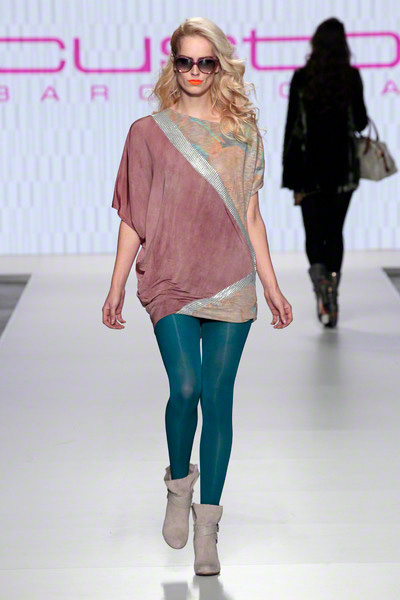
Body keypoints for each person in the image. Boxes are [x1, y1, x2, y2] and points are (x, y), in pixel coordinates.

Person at [102, 17, 293, 576]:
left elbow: (252, 215)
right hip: (170, 276)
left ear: (219, 67)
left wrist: (272, 285)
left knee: (219, 397)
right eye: (184, 61)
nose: (194, 71)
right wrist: (116, 285)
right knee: (185, 388)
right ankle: (178, 486)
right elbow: (134, 217)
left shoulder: (243, 132)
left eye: (205, 62)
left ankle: (207, 526)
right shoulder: (148, 132)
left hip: (231, 277)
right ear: (173, 63)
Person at [282, 17, 368, 327]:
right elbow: (361, 122)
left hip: (308, 171)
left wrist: (288, 169)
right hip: (343, 171)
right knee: (334, 232)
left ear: (315, 43)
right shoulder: (351, 77)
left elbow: (292, 125)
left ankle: (323, 290)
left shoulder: (302, 77)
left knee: (313, 233)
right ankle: (331, 292)